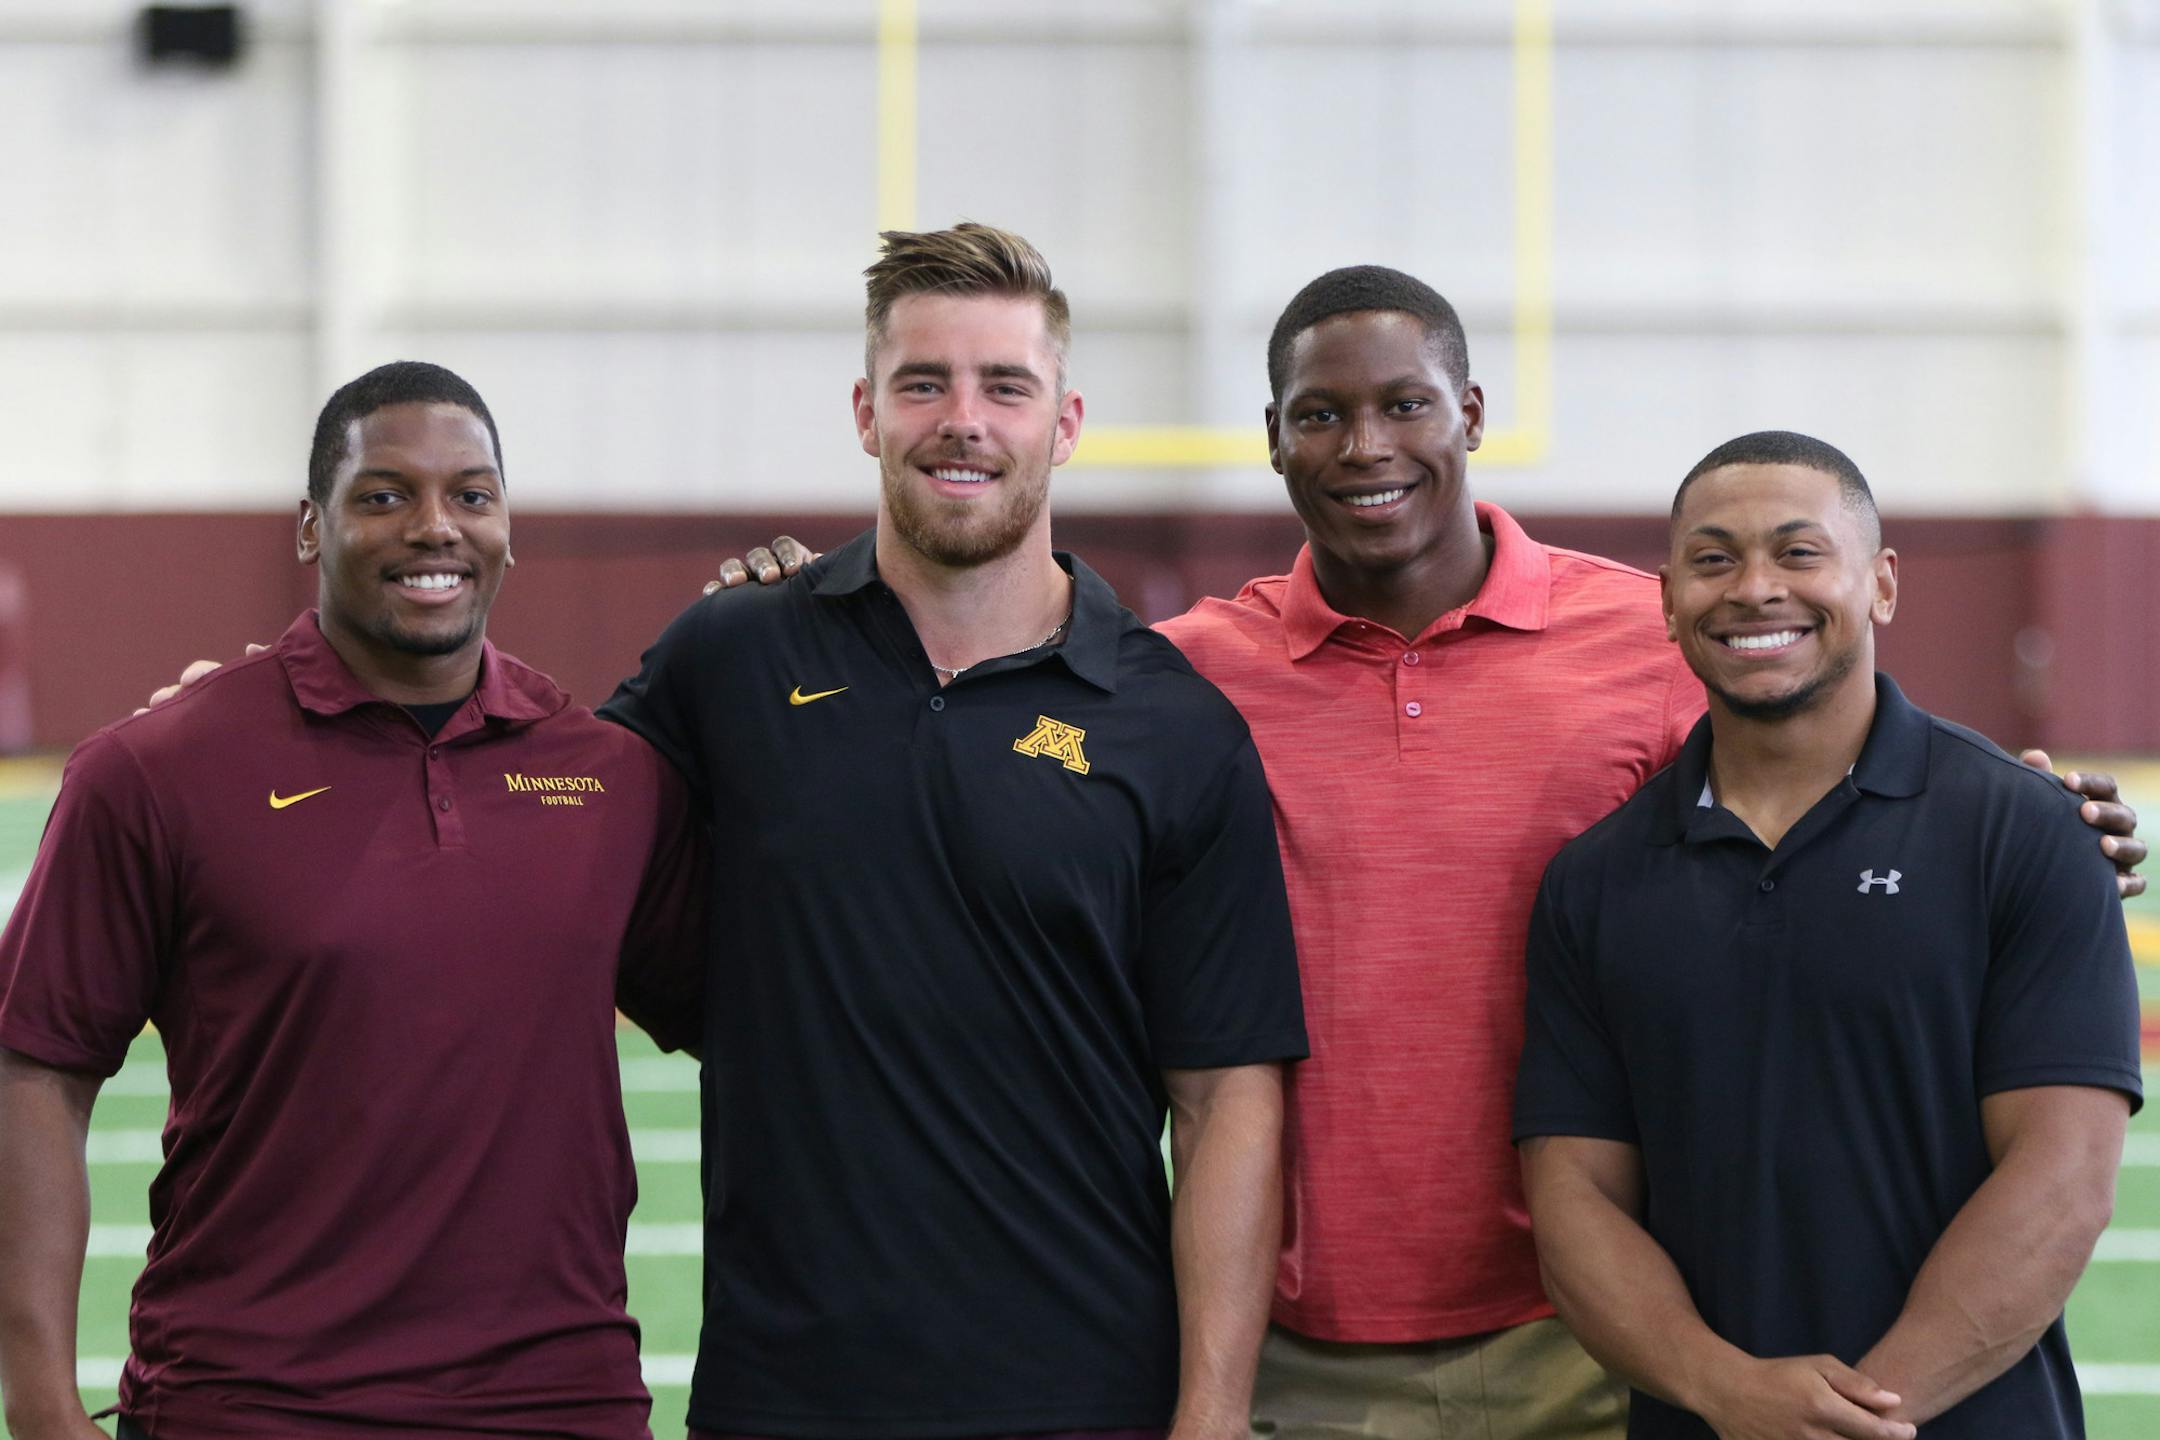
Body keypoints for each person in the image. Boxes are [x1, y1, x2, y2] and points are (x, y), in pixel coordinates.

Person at [718, 266, 2143, 1440]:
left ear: (1469, 412)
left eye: (1405, 404)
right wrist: (807, 601)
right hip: (1294, 1347)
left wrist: (2017, 809)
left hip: (1586, 1338)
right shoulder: (1179, 681)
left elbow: (1817, 727)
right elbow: (978, 710)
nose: (1367, 445)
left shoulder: (1642, 630)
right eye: (1320, 414)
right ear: (1271, 439)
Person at [603, 223, 1307, 1440]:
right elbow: (531, 808)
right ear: (868, 411)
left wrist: (1212, 1415)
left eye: (1005, 386)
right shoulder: (733, 656)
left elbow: (1227, 1097)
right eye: (924, 383)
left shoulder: (1173, 727)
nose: (963, 419)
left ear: (1066, 421)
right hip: (786, 1397)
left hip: (1085, 1395)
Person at [0, 362, 706, 1440]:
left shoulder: (610, 778)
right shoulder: (156, 769)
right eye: (383, 496)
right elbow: (35, 1066)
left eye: (471, 495)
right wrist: (46, 1410)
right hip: (250, 1407)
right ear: (308, 527)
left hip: (560, 1406)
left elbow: (762, 1017)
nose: (436, 527)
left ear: (508, 527)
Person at [1513, 431, 2141, 1440]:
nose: (1756, 588)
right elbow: (1578, 1200)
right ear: (1669, 598)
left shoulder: (2024, 832)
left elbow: (2060, 1183)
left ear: (1881, 583)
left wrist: (1856, 1419)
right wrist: (1727, 1392)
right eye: (1714, 560)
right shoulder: (1597, 881)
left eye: (1799, 553)